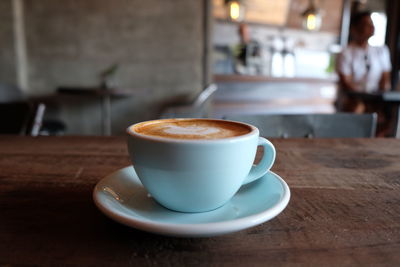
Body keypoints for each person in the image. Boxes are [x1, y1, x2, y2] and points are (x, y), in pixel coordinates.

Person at [335, 11, 392, 135]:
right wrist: (364, 98)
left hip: (376, 98)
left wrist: (379, 98)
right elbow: (346, 82)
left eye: (372, 23)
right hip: (353, 98)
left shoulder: (382, 51)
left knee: (386, 116)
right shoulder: (346, 53)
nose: (371, 27)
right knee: (357, 108)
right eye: (366, 24)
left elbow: (385, 80)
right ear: (355, 29)